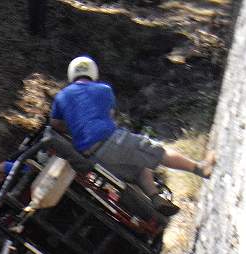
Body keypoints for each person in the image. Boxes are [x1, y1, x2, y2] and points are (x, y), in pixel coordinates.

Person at [50, 56, 215, 216]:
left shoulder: (61, 97)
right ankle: (201, 169)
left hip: (92, 157)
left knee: (139, 170)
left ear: (72, 75)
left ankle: (155, 197)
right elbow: (110, 114)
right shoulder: (103, 89)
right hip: (111, 140)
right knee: (158, 153)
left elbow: (56, 125)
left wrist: (75, 128)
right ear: (93, 72)